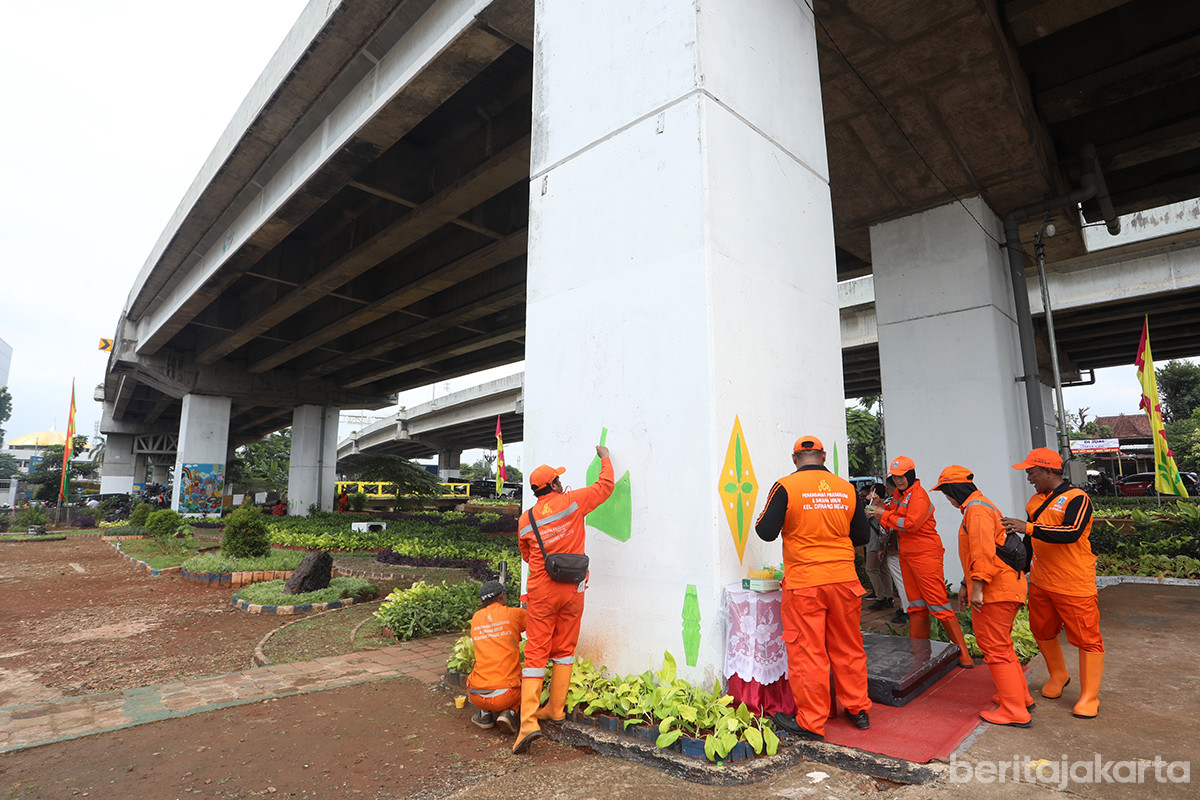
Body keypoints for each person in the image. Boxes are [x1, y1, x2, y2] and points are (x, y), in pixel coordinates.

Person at [754, 435, 872, 740]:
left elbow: (765, 532)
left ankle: (812, 721)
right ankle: (858, 709)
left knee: (809, 652)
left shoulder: (786, 487)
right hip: (845, 582)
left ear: (795, 459)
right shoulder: (847, 489)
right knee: (849, 646)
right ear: (822, 457)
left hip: (805, 583)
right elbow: (861, 536)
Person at [513, 444, 614, 754]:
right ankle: (556, 708)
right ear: (553, 485)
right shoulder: (573, 502)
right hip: (574, 589)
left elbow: (528, 556)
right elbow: (605, 486)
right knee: (565, 649)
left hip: (542, 592)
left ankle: (529, 721)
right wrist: (605, 457)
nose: (559, 482)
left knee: (536, 653)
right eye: (557, 479)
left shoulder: (526, 519)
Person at [1000, 448, 1104, 718]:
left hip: (1074, 584)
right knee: (1042, 630)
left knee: (1087, 640)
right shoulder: (1035, 502)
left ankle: (1089, 697)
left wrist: (1028, 528)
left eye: (1031, 472)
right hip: (1043, 582)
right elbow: (1030, 541)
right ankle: (1059, 676)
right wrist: (1020, 568)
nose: (1028, 478)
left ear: (1048, 470)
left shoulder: (1078, 498)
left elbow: (1071, 532)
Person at [934, 465, 1032, 728]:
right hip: (1006, 586)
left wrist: (977, 588)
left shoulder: (976, 511)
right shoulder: (981, 506)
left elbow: (982, 552)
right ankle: (1019, 697)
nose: (947, 499)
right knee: (1003, 646)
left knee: (995, 649)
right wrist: (967, 583)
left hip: (995, 591)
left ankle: (1014, 711)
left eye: (946, 493)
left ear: (953, 489)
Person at [870, 456, 973, 667]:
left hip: (925, 554)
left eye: (901, 477)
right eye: (895, 477)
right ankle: (919, 654)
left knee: (938, 604)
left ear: (910, 475)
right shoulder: (901, 494)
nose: (898, 481)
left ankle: (964, 654)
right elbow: (895, 516)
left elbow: (910, 524)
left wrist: (882, 514)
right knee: (915, 606)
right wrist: (881, 506)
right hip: (907, 554)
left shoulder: (919, 496)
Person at [466, 580, 526, 734]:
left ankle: (484, 715)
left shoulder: (476, 618)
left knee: (479, 671)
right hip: (505, 696)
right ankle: (510, 713)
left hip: (475, 694)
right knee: (529, 678)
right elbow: (536, 623)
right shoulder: (513, 613)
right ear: (501, 596)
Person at [862, 483, 897, 612]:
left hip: (875, 542)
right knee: (883, 569)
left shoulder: (876, 506)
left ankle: (880, 597)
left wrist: (869, 502)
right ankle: (889, 597)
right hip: (883, 542)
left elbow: (865, 515)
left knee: (871, 569)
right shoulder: (889, 502)